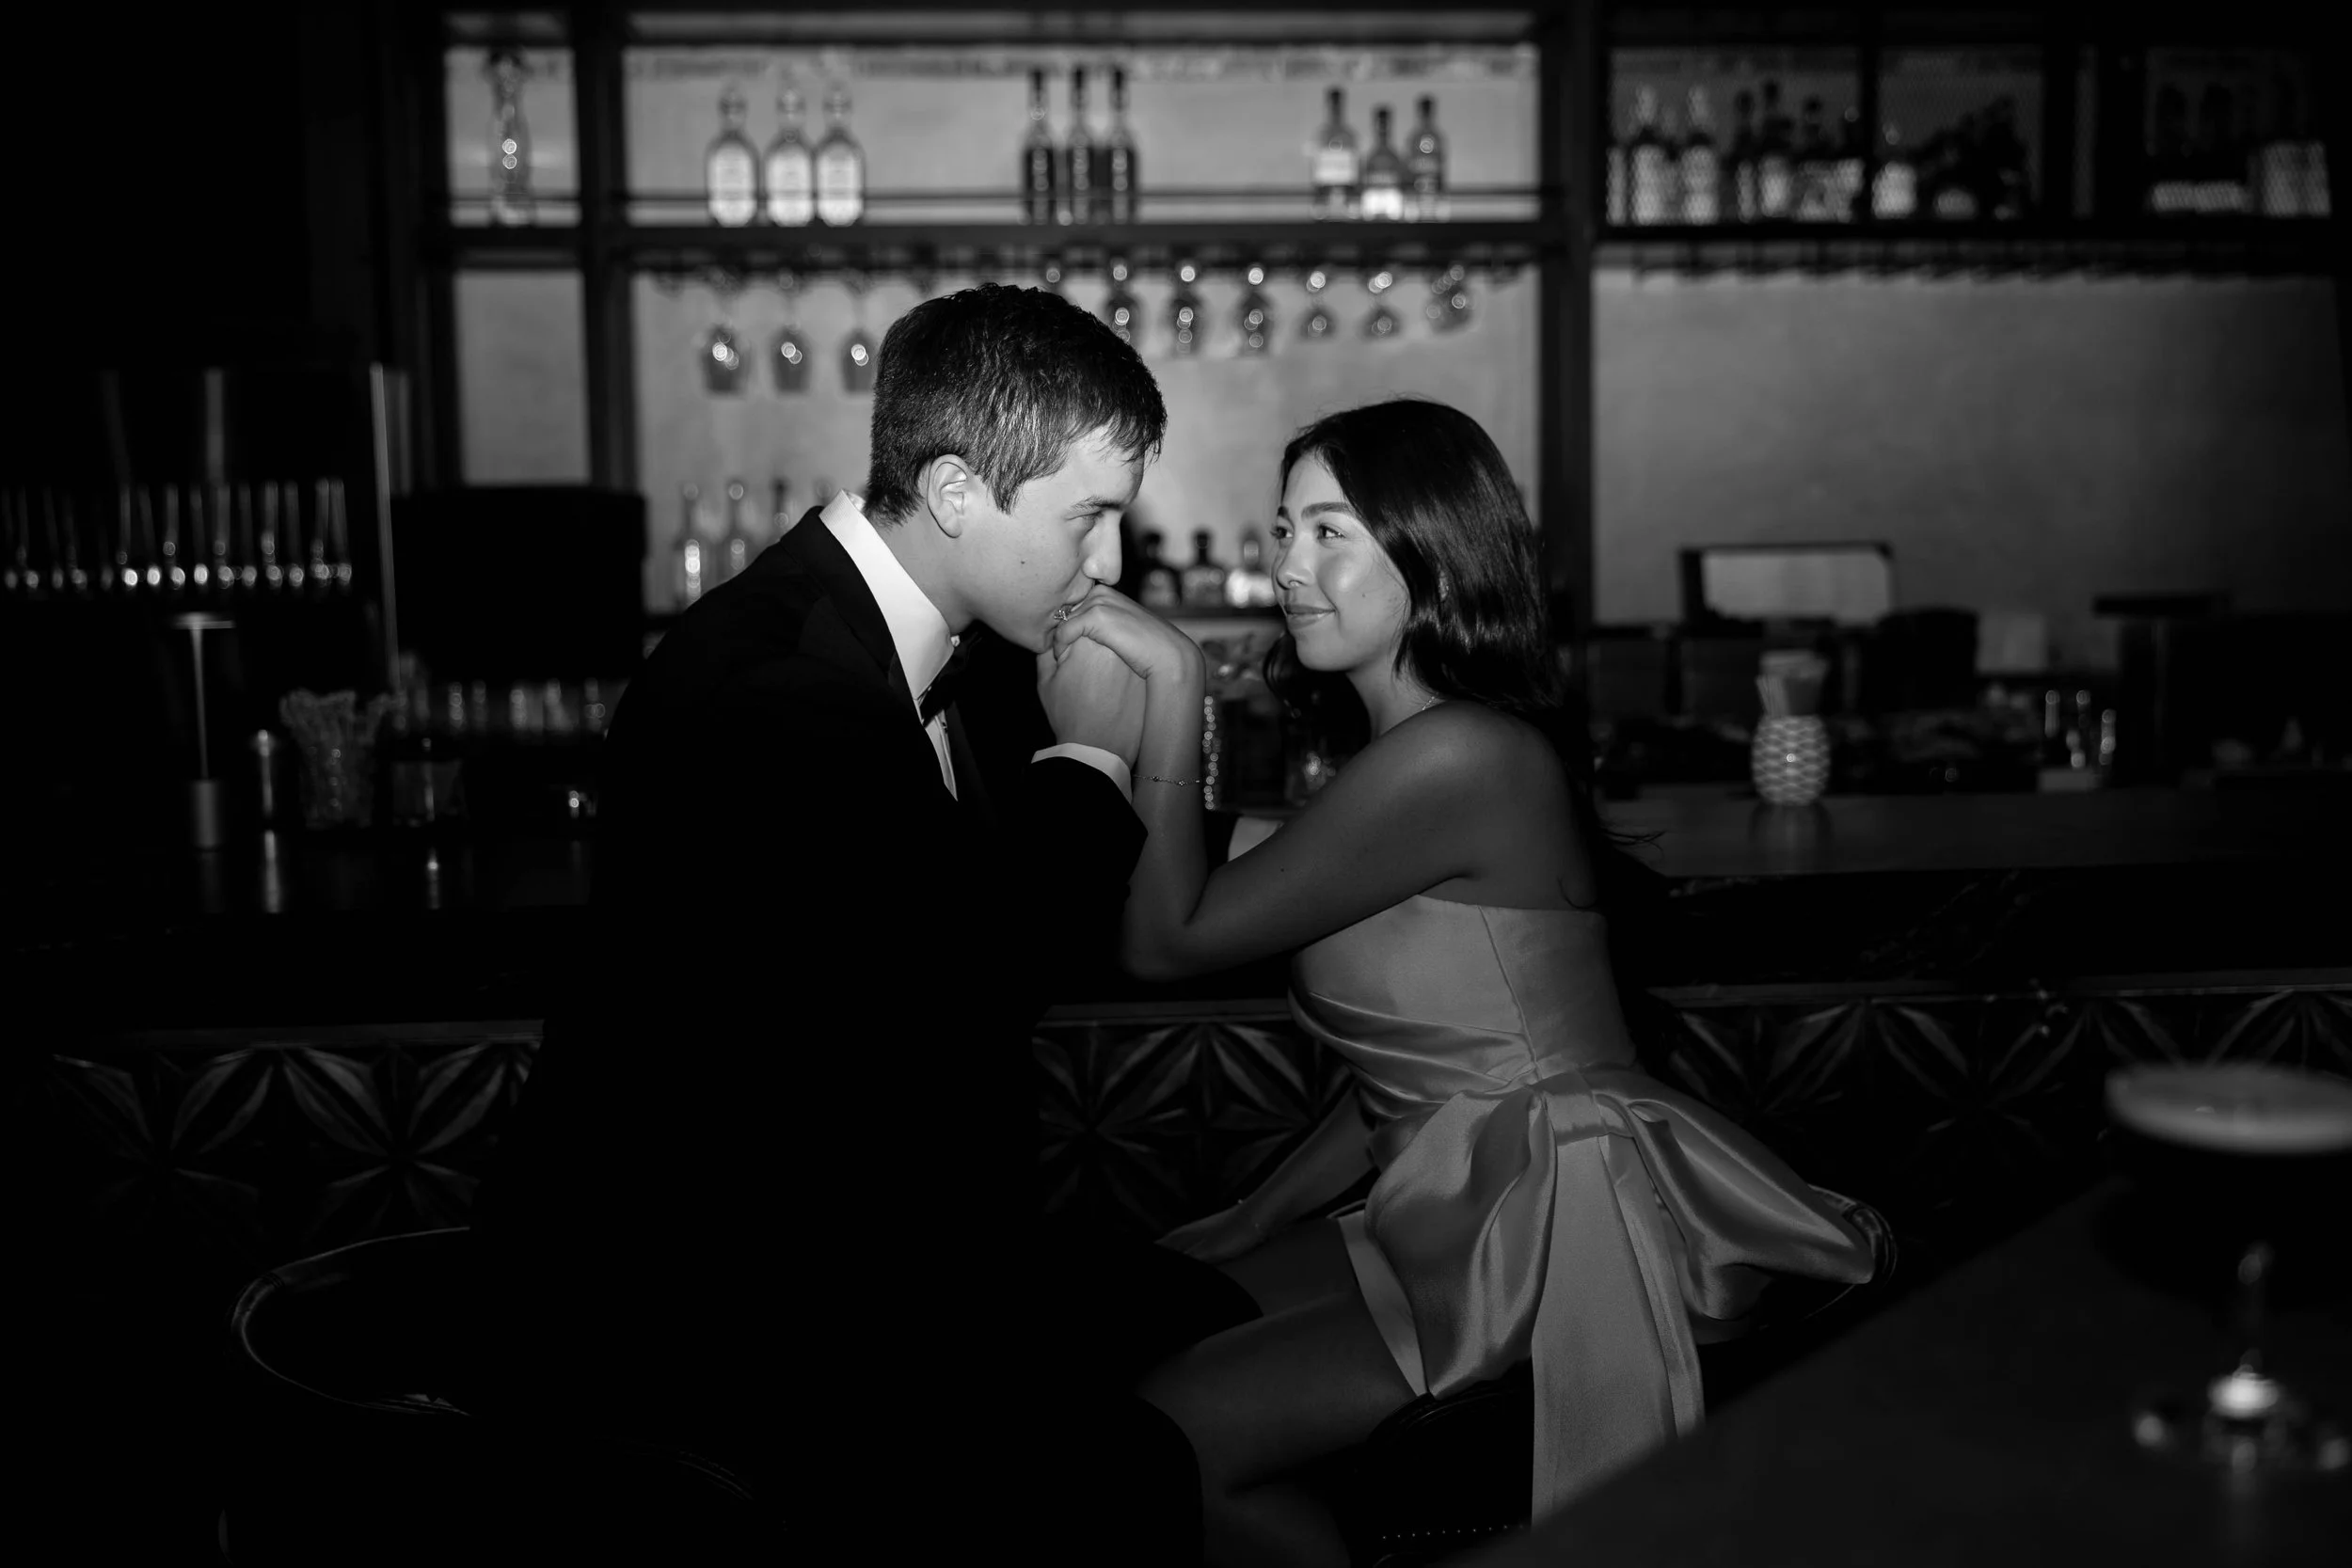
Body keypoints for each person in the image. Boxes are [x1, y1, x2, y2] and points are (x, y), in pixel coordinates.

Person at [466, 283, 1256, 1560]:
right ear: (954, 493)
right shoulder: (780, 682)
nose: (1111, 562)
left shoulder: (925, 640)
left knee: (1206, 1315)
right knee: (1143, 1470)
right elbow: (977, 983)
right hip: (707, 1316)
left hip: (858, 1255)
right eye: (1089, 515)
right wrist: (1092, 758)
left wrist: (1159, 730)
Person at [1050, 399, 1878, 1567]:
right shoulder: (1410, 759)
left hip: (1551, 1221)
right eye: (1283, 529)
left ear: (1432, 553)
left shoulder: (1459, 753)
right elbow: (1438, 1056)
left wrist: (1173, 687)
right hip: (1461, 1199)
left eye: (1328, 532)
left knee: (1162, 1439)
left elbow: (1165, 939)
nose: (1286, 567)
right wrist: (1258, 1211)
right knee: (1162, 1332)